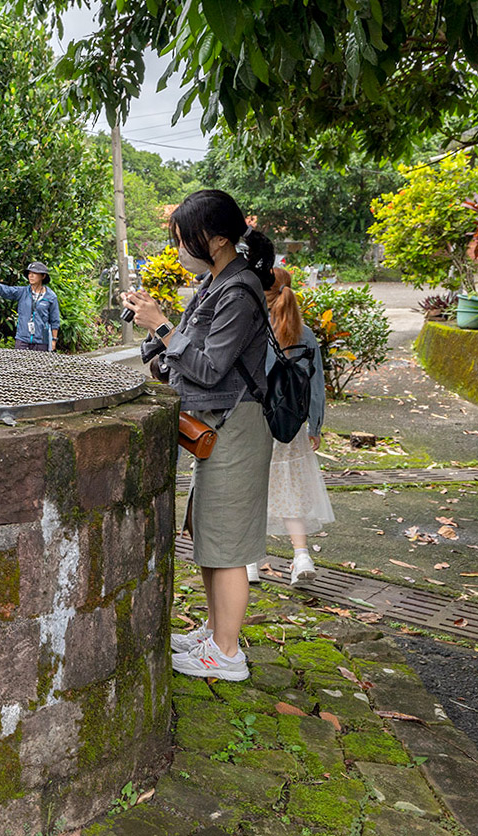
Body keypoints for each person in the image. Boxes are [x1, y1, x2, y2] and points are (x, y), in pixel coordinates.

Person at [123, 189, 276, 682]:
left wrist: (163, 324)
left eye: (184, 238)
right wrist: (154, 327)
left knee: (227, 545)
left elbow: (210, 367)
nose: (179, 248)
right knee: (210, 535)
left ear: (218, 238)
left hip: (238, 424)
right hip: (218, 423)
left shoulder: (240, 291)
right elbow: (185, 350)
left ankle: (227, 654)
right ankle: (215, 632)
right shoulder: (216, 283)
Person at [245, 267, 333, 586]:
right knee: (290, 490)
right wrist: (315, 426)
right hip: (290, 426)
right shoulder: (304, 333)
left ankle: (250, 563)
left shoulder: (251, 329)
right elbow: (316, 385)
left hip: (254, 422)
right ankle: (302, 556)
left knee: (250, 490)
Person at [0, 261, 60, 351]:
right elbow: (6, 290)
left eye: (34, 273)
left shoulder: (51, 297)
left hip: (41, 341)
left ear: (43, 276)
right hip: (22, 340)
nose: (31, 276)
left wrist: (54, 340)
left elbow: (55, 320)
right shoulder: (22, 292)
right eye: (29, 273)